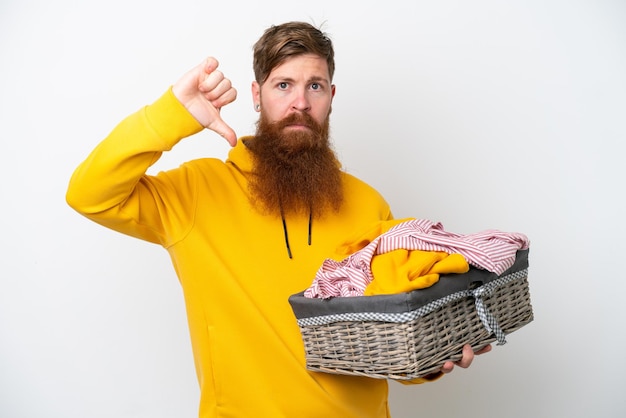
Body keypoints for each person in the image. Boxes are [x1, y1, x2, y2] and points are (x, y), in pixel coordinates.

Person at [66, 21, 490, 418]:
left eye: (315, 86)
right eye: (283, 84)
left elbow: (390, 335)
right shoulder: (196, 192)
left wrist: (434, 358)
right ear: (256, 94)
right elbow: (90, 195)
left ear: (331, 96)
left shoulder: (369, 204)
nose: (300, 103)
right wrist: (170, 114)